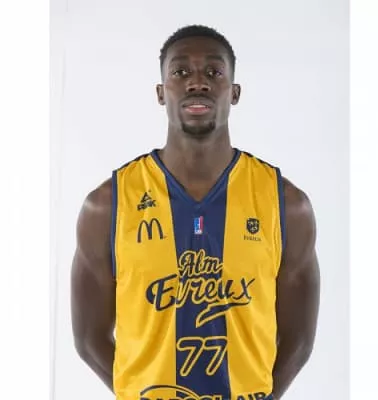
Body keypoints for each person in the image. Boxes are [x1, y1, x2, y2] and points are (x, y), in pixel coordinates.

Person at [71, 24, 320, 400]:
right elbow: (89, 339)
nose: (197, 82)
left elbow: (299, 339)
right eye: (181, 71)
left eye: (214, 72)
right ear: (161, 92)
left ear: (234, 92)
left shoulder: (286, 205)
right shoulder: (107, 205)